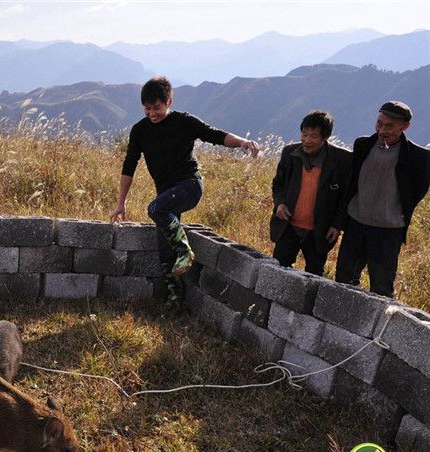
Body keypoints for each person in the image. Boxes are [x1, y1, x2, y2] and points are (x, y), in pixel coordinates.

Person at [110, 76, 259, 301]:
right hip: (167, 196)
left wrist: (242, 143)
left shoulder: (184, 121)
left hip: (189, 186)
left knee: (155, 209)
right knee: (164, 247)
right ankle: (174, 300)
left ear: (169, 102)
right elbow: (129, 166)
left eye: (157, 108)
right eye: (147, 109)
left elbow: (215, 134)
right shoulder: (140, 130)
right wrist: (121, 202)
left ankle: (184, 250)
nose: (152, 113)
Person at [335, 101, 430, 298]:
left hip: (388, 232)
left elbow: (416, 191)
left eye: (389, 126)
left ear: (405, 127)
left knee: (381, 288)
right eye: (379, 124)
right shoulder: (362, 145)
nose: (382, 130)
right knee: (343, 282)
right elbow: (351, 183)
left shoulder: (419, 157)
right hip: (356, 225)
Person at [269, 110, 352, 275]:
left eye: (313, 136)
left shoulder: (342, 159)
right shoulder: (290, 154)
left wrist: (336, 225)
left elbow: (346, 196)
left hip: (319, 230)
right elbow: (278, 184)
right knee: (278, 269)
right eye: (304, 134)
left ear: (325, 137)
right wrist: (280, 204)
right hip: (289, 226)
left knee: (314, 273)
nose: (306, 141)